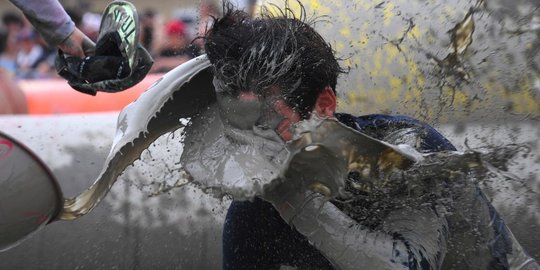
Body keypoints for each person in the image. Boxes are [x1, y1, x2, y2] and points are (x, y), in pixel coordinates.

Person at [201, 4, 540, 270]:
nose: (250, 138)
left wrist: (293, 197)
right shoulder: (256, 209)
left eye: (265, 116)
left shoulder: (405, 148)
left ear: (324, 105)